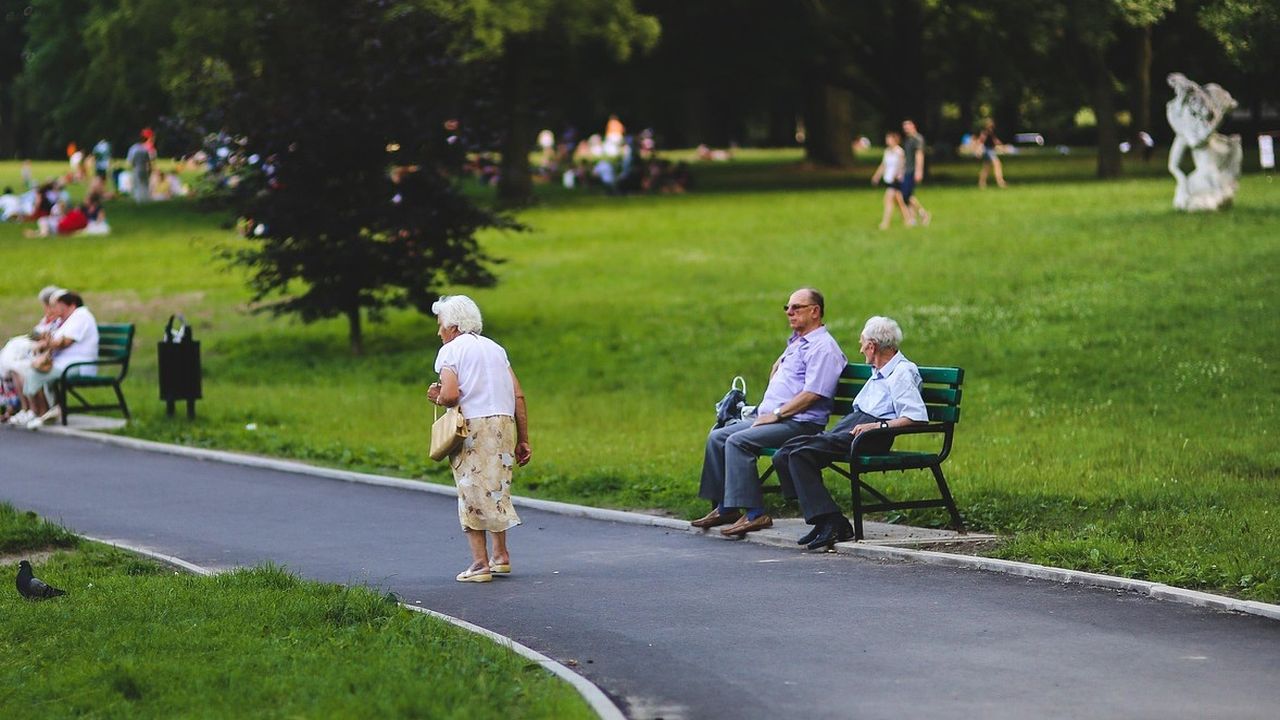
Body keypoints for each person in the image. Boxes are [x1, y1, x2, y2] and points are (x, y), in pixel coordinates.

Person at [693, 288, 848, 537]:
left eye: (796, 307)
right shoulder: (798, 343)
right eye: (787, 307)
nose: (789, 312)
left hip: (800, 423)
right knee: (718, 436)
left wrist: (776, 414)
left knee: (738, 441)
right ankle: (727, 507)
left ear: (815, 311)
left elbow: (814, 394)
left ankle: (755, 513)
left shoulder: (823, 348)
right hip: (776, 418)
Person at [770, 316, 928, 550]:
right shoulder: (880, 370)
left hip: (872, 434)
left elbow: (916, 417)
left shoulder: (902, 372)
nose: (860, 348)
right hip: (855, 426)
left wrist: (877, 426)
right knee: (785, 452)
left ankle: (832, 521)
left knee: (801, 454)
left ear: (872, 346)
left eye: (862, 343)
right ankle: (823, 519)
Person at [427, 295, 531, 583]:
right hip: (503, 424)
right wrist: (524, 439)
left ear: (454, 326)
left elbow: (449, 395)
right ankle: (501, 557)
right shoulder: (496, 349)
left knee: (471, 491)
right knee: (496, 488)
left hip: (473, 427)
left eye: (440, 326)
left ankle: (479, 564)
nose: (439, 332)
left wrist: (437, 396)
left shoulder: (450, 352)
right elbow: (518, 395)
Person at [15, 290, 99, 428]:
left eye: (58, 305)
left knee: (36, 373)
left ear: (71, 305)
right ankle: (48, 410)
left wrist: (48, 343)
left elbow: (65, 341)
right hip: (64, 363)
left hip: (77, 365)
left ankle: (42, 412)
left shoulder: (81, 316)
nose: (54, 309)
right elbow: (53, 339)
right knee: (30, 369)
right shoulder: (67, 320)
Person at [869, 131, 911, 230]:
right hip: (888, 179)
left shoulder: (899, 151)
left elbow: (902, 165)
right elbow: (883, 165)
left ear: (895, 140)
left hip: (895, 179)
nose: (887, 140)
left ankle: (885, 223)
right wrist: (877, 176)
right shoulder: (887, 151)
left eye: (889, 138)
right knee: (899, 202)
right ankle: (908, 220)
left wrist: (898, 174)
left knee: (887, 200)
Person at [900, 119, 931, 225]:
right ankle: (913, 218)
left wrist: (919, 171)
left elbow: (919, 155)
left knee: (906, 195)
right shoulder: (908, 139)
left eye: (908, 126)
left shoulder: (917, 139)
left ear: (913, 126)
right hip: (906, 170)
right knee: (907, 195)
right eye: (904, 127)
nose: (906, 128)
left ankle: (923, 213)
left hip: (913, 170)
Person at [975, 119, 1007, 188]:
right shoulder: (985, 132)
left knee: (986, 167)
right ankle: (1000, 182)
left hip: (990, 150)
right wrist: (978, 150)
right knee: (997, 164)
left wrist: (1002, 146)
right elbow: (981, 140)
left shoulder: (991, 131)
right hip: (988, 150)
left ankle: (981, 183)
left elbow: (995, 140)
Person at [127, 133, 153, 203]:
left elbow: (131, 161)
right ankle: (145, 198)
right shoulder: (144, 149)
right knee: (144, 183)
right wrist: (150, 170)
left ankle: (138, 199)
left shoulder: (133, 149)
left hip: (136, 168)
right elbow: (148, 161)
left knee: (137, 184)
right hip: (144, 168)